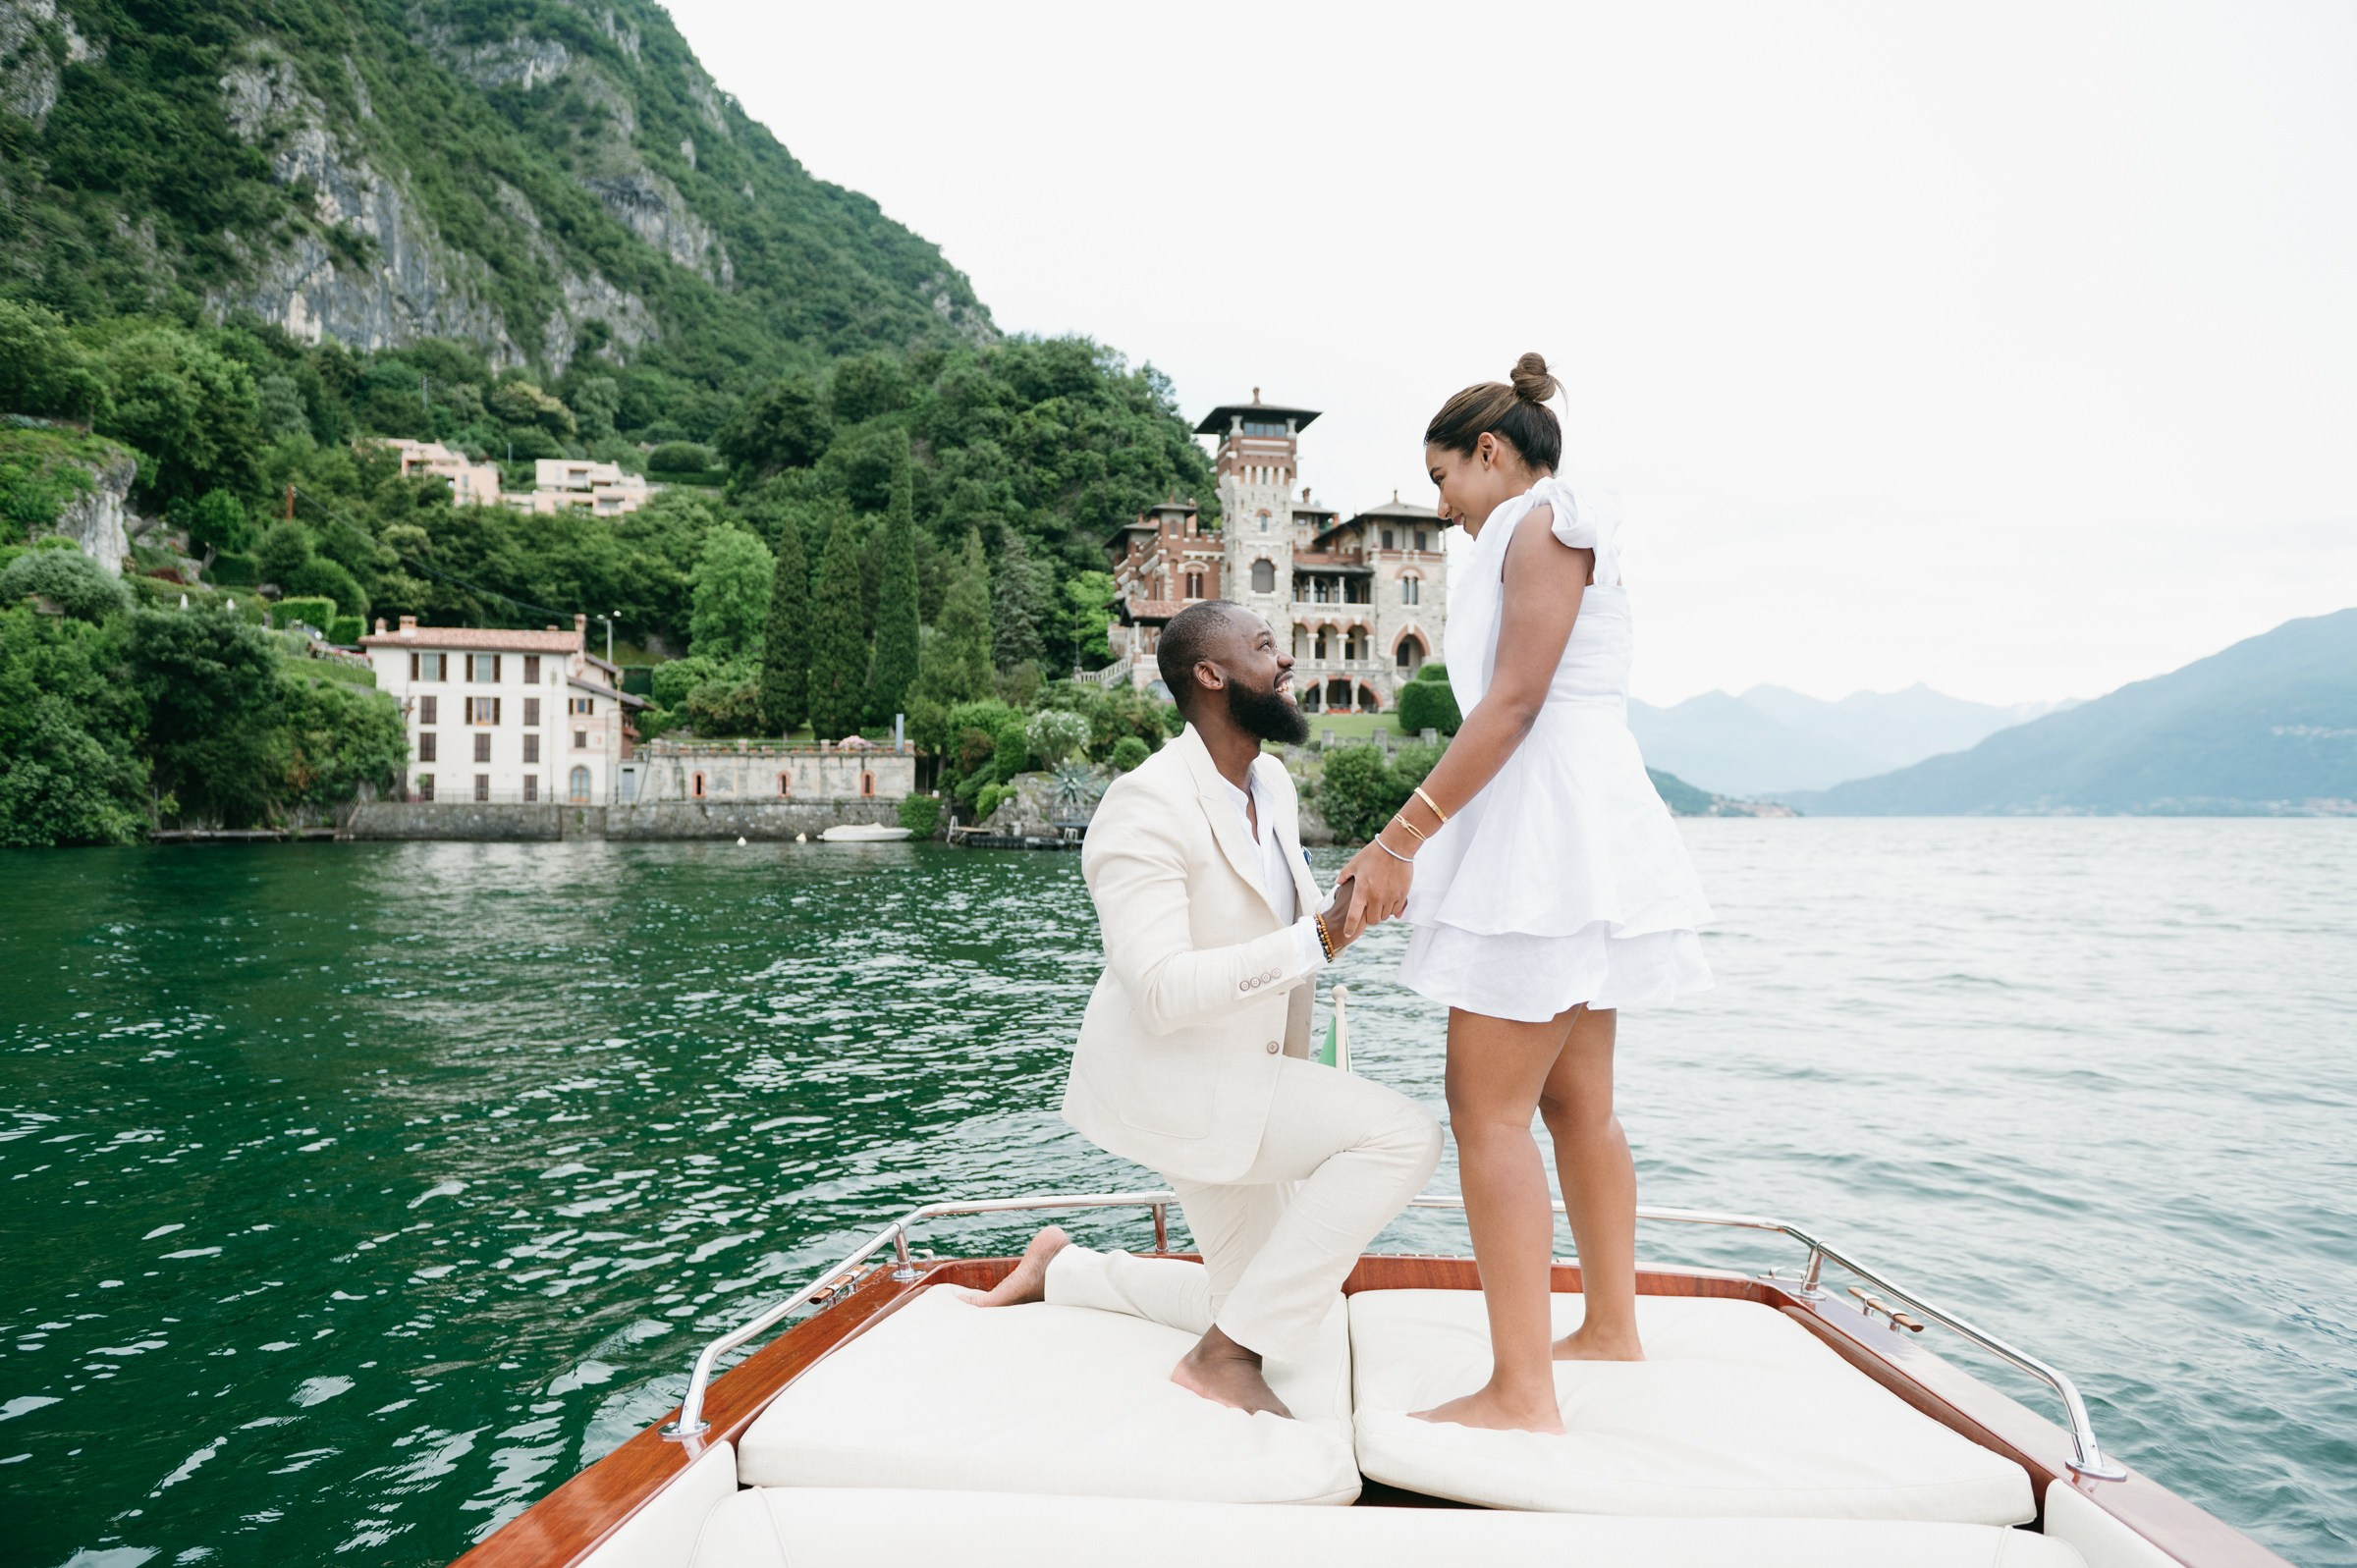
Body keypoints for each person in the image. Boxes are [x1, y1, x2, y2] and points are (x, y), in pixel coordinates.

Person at [1337, 351, 1713, 1433]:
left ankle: (1521, 1392)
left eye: (1443, 477)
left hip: (1547, 833)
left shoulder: (1540, 525)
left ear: (1491, 453)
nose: (1442, 507)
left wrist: (1398, 842)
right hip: (1583, 824)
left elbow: (1512, 705)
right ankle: (1609, 1327)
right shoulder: (1563, 520)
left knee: (1486, 1109)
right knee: (1575, 1103)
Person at [971, 600, 1443, 1418]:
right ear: (1212, 675)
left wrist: (1360, 906)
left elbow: (1287, 927)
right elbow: (1160, 990)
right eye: (1264, 646)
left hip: (1249, 1076)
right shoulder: (1145, 804)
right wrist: (1316, 938)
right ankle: (1219, 1360)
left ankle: (1065, 1268)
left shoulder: (1273, 782)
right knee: (1405, 1135)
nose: (1285, 660)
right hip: (1182, 1085)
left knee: (1270, 1306)